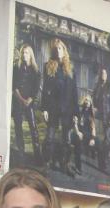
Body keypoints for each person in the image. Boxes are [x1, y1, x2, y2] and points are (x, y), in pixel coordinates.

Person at [41, 38, 78, 172]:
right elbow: (45, 89)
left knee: (66, 139)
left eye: (60, 48)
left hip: (67, 109)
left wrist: (76, 113)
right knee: (49, 137)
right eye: (56, 49)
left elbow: (74, 92)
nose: (58, 50)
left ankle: (65, 164)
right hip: (53, 107)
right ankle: (47, 162)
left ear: (64, 50)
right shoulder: (48, 66)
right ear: (53, 51)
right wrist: (44, 108)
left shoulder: (71, 68)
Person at [11, 44, 42, 164]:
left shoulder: (35, 71)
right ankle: (21, 154)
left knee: (33, 128)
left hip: (30, 103)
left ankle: (38, 156)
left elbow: (36, 88)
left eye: (27, 53)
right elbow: (14, 86)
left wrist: (30, 99)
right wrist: (21, 99)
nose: (24, 55)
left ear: (30, 55)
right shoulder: (16, 68)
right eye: (23, 52)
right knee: (18, 128)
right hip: (18, 101)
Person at [92, 67, 110, 171]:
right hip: (98, 118)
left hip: (107, 118)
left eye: (105, 73)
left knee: (106, 142)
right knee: (99, 141)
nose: (103, 75)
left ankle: (105, 164)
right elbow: (93, 100)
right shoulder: (97, 87)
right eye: (101, 73)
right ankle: (101, 164)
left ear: (107, 75)